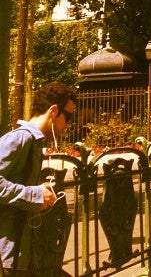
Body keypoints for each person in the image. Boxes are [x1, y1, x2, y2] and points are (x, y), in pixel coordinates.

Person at [0, 81, 76, 275]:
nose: (68, 125)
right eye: (68, 117)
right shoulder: (20, 138)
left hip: (23, 253)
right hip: (9, 255)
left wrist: (37, 191)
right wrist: (34, 195)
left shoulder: (34, 142)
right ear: (53, 110)